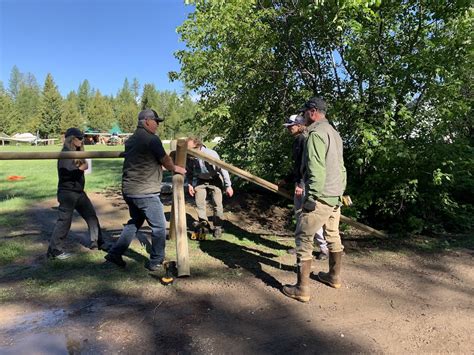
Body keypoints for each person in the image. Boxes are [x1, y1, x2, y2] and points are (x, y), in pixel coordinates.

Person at [282, 97, 346, 302]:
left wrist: (312, 197)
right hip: (335, 195)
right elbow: (341, 168)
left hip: (321, 195)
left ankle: (302, 288)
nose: (302, 117)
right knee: (333, 235)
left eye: (304, 113)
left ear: (312, 112)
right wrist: (340, 192)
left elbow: (316, 169)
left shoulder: (316, 134)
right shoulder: (335, 134)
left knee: (303, 237)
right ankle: (334, 277)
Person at [104, 109, 186, 270]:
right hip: (145, 192)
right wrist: (176, 168)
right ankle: (156, 261)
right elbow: (165, 161)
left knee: (134, 222)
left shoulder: (131, 140)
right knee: (159, 227)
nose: (157, 125)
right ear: (147, 121)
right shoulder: (152, 139)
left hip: (129, 189)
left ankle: (115, 253)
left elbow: (143, 160)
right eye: (156, 121)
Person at [47, 128, 105, 259]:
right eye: (79, 138)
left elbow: (82, 167)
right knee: (64, 221)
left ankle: (98, 242)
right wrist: (82, 166)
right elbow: (76, 169)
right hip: (67, 193)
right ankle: (54, 251)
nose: (82, 140)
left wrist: (83, 164)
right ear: (71, 139)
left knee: (91, 216)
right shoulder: (66, 154)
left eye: (82, 138)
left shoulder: (77, 153)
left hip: (79, 192)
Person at [280, 114, 329, 260]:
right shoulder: (297, 141)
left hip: (305, 185)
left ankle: (324, 248)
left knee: (308, 217)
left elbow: (307, 166)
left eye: (292, 125)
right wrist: (287, 179)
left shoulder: (304, 140)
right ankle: (301, 245)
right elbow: (297, 167)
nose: (289, 128)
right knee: (300, 217)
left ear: (300, 125)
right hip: (300, 183)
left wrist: (301, 184)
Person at [186, 137, 233, 238]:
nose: (189, 151)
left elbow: (223, 169)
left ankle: (218, 227)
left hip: (214, 179)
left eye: (190, 148)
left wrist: (228, 186)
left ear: (198, 146)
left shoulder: (211, 153)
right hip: (201, 180)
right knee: (199, 203)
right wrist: (190, 184)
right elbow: (188, 171)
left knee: (217, 204)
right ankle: (204, 226)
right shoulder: (190, 156)